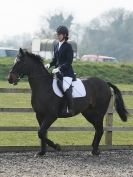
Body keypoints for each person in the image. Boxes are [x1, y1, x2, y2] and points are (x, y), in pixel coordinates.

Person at [45, 25, 75, 115]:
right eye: (57, 34)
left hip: (67, 73)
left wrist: (59, 68)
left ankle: (70, 108)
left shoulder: (68, 46)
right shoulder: (56, 45)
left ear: (65, 35)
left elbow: (69, 61)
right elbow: (55, 60)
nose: (57, 36)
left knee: (65, 87)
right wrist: (49, 65)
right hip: (57, 73)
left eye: (59, 34)